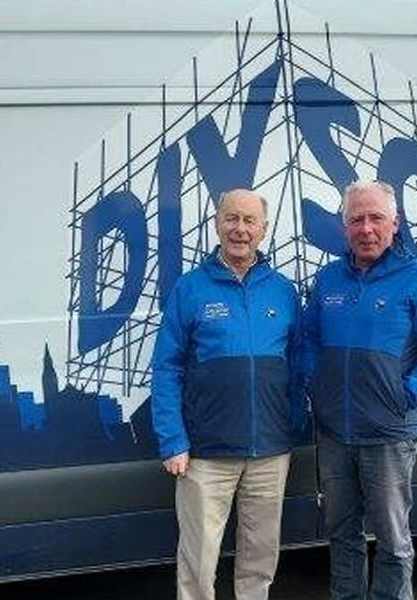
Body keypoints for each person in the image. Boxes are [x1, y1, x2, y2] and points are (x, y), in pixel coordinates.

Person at [302, 180, 417, 600]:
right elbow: (309, 340)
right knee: (342, 533)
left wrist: (404, 396)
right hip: (334, 433)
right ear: (344, 226)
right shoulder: (328, 279)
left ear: (395, 223)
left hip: (389, 433)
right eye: (357, 219)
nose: (366, 228)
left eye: (376, 218)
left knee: (392, 538)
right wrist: (317, 386)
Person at [150, 188, 302, 600]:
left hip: (270, 451)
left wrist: (292, 425)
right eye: (231, 218)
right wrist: (173, 440)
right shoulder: (190, 289)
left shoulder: (283, 291)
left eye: (250, 221)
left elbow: (299, 364)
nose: (240, 229)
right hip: (205, 453)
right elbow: (166, 369)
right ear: (217, 224)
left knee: (260, 558)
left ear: (264, 230)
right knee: (198, 560)